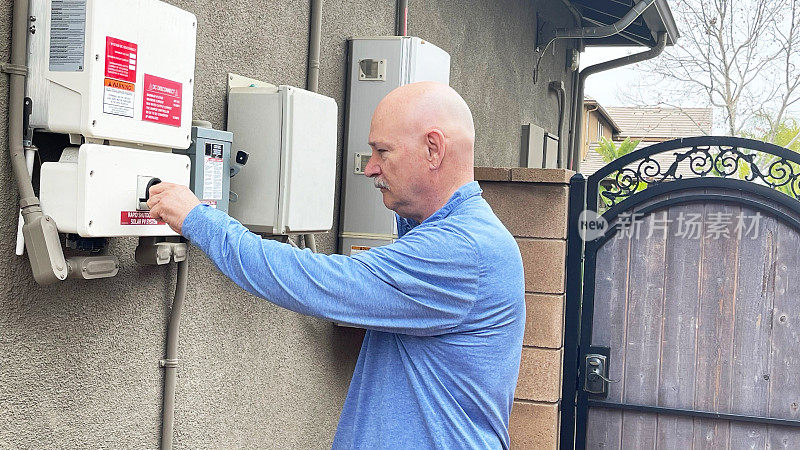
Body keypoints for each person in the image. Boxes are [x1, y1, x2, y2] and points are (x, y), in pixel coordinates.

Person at [148, 81, 525, 449]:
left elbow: (317, 282)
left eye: (382, 151)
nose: (370, 168)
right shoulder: (456, 236)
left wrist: (198, 219)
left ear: (433, 149)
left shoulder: (462, 251)